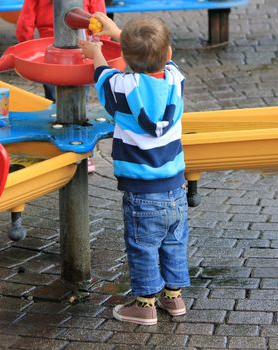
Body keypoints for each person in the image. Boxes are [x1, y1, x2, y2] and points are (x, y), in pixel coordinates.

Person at [79, 14, 189, 325]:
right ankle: (174, 298)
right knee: (174, 242)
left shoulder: (123, 89)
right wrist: (120, 35)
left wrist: (97, 51)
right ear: (168, 55)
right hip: (174, 186)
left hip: (141, 191)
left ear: (125, 57)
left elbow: (103, 76)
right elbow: (160, 60)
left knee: (142, 247)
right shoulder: (176, 81)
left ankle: (144, 304)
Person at [16, 0, 104, 173]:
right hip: (80, 54)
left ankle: (56, 150)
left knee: (54, 106)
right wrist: (100, 47)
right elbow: (99, 17)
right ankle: (84, 152)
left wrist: (26, 44)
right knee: (80, 107)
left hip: (49, 56)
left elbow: (25, 22)